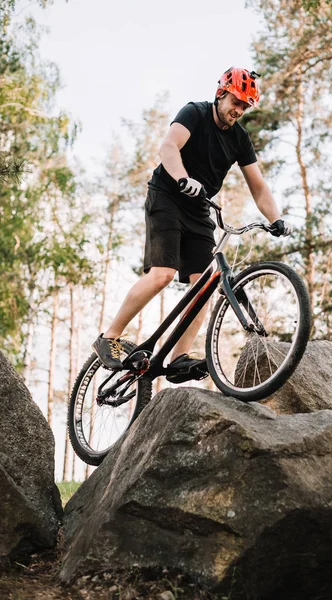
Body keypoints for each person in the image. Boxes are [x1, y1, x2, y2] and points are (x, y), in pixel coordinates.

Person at [92, 67, 292, 383]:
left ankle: (178, 357)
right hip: (168, 196)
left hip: (199, 208)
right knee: (163, 275)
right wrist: (183, 178)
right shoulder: (195, 112)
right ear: (220, 94)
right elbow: (168, 147)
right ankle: (110, 337)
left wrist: (276, 219)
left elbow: (258, 186)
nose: (238, 110)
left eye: (244, 106)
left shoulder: (240, 139)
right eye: (235, 101)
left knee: (204, 286)